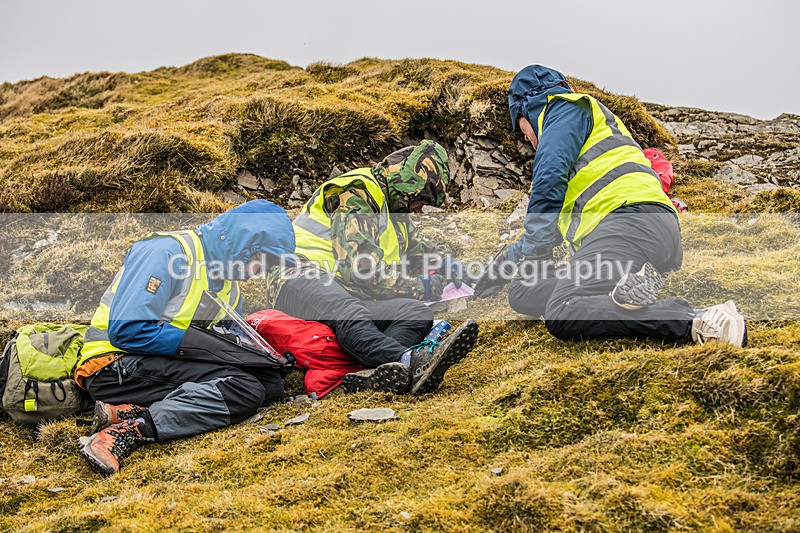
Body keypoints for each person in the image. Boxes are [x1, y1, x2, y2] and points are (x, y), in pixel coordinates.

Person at [476, 64, 746, 347]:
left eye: (522, 130)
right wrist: (506, 264)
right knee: (525, 293)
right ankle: (626, 288)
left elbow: (548, 182)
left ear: (527, 111)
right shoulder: (581, 130)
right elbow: (551, 226)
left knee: (562, 311)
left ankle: (699, 321)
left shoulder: (562, 111)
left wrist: (536, 256)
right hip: (641, 230)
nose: (528, 140)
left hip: (628, 224)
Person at [75, 200, 296, 475]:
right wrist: (202, 345)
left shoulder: (229, 288)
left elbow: (226, 343)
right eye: (260, 261)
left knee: (269, 384)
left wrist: (264, 359)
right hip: (112, 365)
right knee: (244, 389)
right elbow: (127, 330)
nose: (257, 273)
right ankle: (131, 429)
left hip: (156, 362)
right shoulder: (167, 252)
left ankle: (124, 411)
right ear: (242, 244)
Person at [264, 140, 479, 395]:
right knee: (350, 310)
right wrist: (419, 287)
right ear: (407, 185)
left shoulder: (394, 210)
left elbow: (418, 251)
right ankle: (410, 361)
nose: (421, 209)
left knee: (415, 312)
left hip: (342, 291)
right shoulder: (357, 193)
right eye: (421, 199)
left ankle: (377, 373)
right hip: (299, 279)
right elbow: (360, 272)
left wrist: (452, 268)